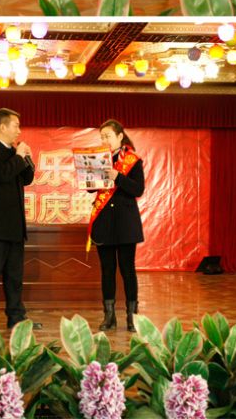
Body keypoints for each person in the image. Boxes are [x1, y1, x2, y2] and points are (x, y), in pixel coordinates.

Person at [0, 108, 41, 330]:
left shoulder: (14, 152)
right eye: (15, 126)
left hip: (15, 225)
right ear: (2, 127)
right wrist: (18, 157)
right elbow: (1, 175)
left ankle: (16, 318)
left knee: (15, 276)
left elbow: (27, 179)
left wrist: (27, 158)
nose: (18, 131)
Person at [88, 119, 145, 332]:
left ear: (120, 136)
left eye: (108, 136)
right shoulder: (98, 159)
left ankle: (132, 317)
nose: (104, 140)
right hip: (104, 221)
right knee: (107, 270)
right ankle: (109, 316)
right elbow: (90, 188)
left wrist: (118, 177)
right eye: (102, 136)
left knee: (128, 270)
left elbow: (138, 189)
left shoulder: (133, 160)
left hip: (125, 223)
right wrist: (89, 173)